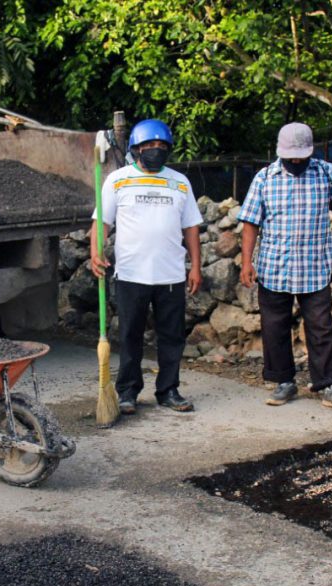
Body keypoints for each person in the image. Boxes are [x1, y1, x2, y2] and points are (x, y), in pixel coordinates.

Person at [238, 122, 332, 408]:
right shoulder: (264, 178)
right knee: (274, 327)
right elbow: (250, 222)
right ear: (280, 151)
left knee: (321, 328)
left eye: (301, 156)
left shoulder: (325, 172)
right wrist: (246, 262)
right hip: (274, 267)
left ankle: (327, 384)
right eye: (291, 156)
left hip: (314, 267)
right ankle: (284, 382)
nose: (296, 161)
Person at [89, 119, 203, 414]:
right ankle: (127, 392)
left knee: (172, 337)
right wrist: (95, 253)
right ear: (136, 149)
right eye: (150, 146)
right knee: (130, 336)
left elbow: (191, 227)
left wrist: (195, 267)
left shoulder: (180, 182)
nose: (156, 150)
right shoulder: (117, 180)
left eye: (161, 146)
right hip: (130, 274)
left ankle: (168, 390)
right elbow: (101, 222)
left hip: (171, 275)